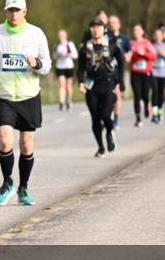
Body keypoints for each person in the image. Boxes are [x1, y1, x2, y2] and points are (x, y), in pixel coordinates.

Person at [0, 0, 51, 206]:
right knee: (5, 141)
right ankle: (7, 183)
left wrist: (36, 64)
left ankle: (23, 188)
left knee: (26, 144)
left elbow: (47, 65)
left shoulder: (36, 33)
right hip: (4, 97)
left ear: (24, 12)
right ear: (5, 12)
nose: (14, 14)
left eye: (17, 10)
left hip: (29, 96)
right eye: (10, 10)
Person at [79, 16, 125, 157]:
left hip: (108, 84)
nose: (96, 30)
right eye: (93, 27)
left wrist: (121, 80)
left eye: (98, 27)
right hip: (92, 86)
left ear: (103, 29)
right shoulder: (85, 48)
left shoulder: (112, 45)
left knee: (105, 115)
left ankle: (109, 133)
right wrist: (81, 82)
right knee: (95, 118)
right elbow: (81, 68)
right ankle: (100, 147)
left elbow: (121, 62)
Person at [127, 23, 156, 127]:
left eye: (138, 30)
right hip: (135, 72)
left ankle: (146, 105)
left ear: (142, 32)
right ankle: (138, 117)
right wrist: (129, 56)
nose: (136, 32)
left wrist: (143, 53)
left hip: (145, 73)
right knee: (137, 94)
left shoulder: (146, 43)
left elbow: (154, 56)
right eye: (134, 30)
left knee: (145, 94)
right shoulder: (130, 43)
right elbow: (127, 56)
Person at [107, 15, 130, 128]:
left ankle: (115, 117)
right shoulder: (104, 37)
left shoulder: (124, 38)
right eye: (110, 22)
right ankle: (107, 115)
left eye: (114, 22)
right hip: (106, 70)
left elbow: (129, 51)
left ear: (119, 25)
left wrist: (127, 56)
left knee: (117, 94)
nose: (112, 24)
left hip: (117, 69)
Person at [54, 29, 77, 111]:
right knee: (61, 84)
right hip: (60, 67)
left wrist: (68, 54)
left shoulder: (69, 44)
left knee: (68, 86)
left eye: (62, 35)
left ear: (65, 36)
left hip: (69, 66)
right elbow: (54, 56)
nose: (60, 37)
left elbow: (75, 55)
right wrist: (58, 55)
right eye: (59, 35)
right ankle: (61, 101)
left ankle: (69, 100)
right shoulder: (57, 45)